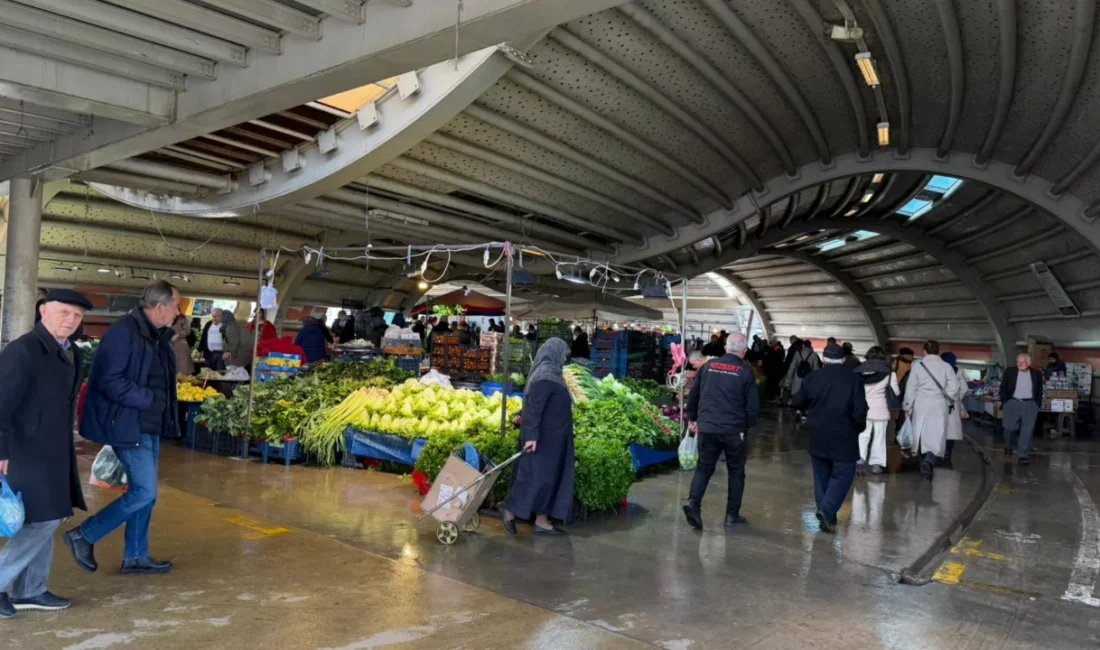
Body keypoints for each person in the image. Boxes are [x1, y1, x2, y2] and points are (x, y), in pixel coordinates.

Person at [65, 281, 181, 576]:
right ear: (160, 307)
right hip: (129, 425)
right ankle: (84, 534)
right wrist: (147, 399)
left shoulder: (155, 336)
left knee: (147, 493)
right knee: (144, 491)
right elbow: (109, 380)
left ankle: (136, 556)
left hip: (148, 425)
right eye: (176, 306)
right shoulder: (124, 333)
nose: (178, 312)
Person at [0, 290, 92, 617]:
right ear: (44, 311)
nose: (70, 320)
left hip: (54, 448)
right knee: (44, 519)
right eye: (63, 312)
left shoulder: (70, 353)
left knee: (47, 515)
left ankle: (30, 589)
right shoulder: (23, 350)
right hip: (24, 449)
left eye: (77, 316)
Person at [681, 333, 759, 531]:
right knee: (736, 471)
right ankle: (732, 516)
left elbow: (694, 395)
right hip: (733, 430)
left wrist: (693, 418)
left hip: (707, 427)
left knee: (704, 467)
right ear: (744, 351)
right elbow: (752, 406)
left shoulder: (708, 366)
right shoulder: (745, 371)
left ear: (725, 347)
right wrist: (746, 426)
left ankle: (693, 503)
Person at [499, 338, 574, 536]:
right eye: (563, 354)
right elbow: (536, 406)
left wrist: (522, 417)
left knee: (547, 479)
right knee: (536, 478)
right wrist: (531, 435)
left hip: (553, 439)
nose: (564, 359)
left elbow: (533, 403)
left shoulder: (550, 373)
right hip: (543, 440)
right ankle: (510, 510)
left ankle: (542, 520)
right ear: (554, 353)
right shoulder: (546, 374)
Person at [792, 342, 868, 533]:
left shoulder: (813, 377)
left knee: (821, 476)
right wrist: (859, 428)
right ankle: (826, 511)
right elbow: (860, 410)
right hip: (844, 434)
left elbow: (797, 401)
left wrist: (808, 414)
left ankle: (827, 516)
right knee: (844, 473)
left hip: (818, 433)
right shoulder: (853, 379)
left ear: (824, 359)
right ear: (843, 359)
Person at [901, 340, 959, 480]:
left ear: (924, 351)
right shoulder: (946, 367)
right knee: (936, 434)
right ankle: (930, 459)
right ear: (938, 351)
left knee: (921, 432)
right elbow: (954, 387)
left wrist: (907, 406)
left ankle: (923, 459)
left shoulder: (918, 366)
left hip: (921, 403)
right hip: (939, 404)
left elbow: (911, 388)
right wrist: (946, 399)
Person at [854, 346, 900, 475]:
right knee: (879, 438)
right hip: (881, 409)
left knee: (863, 436)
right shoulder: (889, 372)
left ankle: (859, 461)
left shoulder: (859, 371)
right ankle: (876, 465)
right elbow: (895, 392)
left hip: (864, 409)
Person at [999, 353, 1042, 465]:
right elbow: (1003, 387)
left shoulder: (1036, 374)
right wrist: (1005, 402)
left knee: (1027, 431)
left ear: (1029, 363)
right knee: (1009, 428)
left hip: (1030, 404)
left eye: (1022, 362)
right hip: (1012, 403)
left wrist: (1036, 404)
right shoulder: (1010, 371)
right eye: (1018, 362)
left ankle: (1023, 455)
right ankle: (1008, 446)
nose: (1019, 364)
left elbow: (1039, 390)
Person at [941, 352, 969, 466]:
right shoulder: (958, 371)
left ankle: (938, 451)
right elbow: (964, 388)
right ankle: (948, 451)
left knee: (939, 428)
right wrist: (957, 398)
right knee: (951, 430)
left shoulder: (939, 370)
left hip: (938, 402)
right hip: (953, 404)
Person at [786, 340, 822, 419]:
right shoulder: (814, 355)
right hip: (808, 378)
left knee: (797, 393)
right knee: (807, 394)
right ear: (810, 345)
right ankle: (804, 412)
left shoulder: (797, 353)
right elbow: (816, 369)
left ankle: (798, 410)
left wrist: (788, 377)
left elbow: (792, 366)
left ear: (803, 345)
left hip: (798, 377)